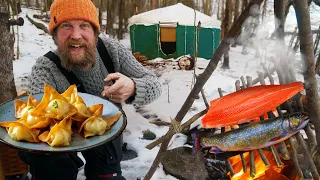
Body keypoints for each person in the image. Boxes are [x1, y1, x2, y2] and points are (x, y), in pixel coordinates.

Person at [18, 0, 162, 179]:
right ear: (54, 34)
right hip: (61, 141)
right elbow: (35, 116)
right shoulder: (45, 68)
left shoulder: (112, 50)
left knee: (108, 174)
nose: (76, 35)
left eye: (84, 25)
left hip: (105, 131)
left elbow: (155, 84)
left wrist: (132, 87)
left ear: (95, 31)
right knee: (48, 164)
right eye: (66, 26)